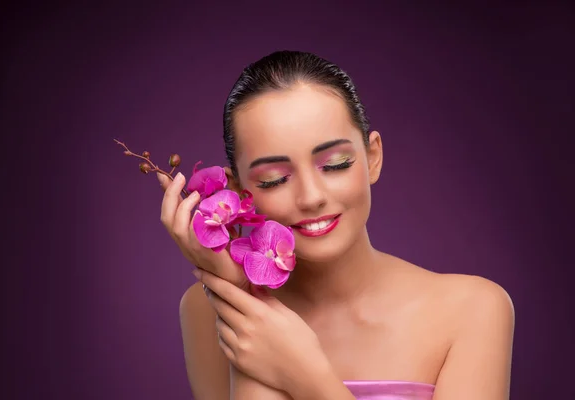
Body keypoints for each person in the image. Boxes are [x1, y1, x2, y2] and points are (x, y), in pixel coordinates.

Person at [157, 50, 515, 400]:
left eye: (336, 164)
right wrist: (244, 296)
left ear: (372, 158)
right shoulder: (205, 310)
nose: (311, 197)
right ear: (239, 193)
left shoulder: (472, 309)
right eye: (273, 179)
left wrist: (306, 374)